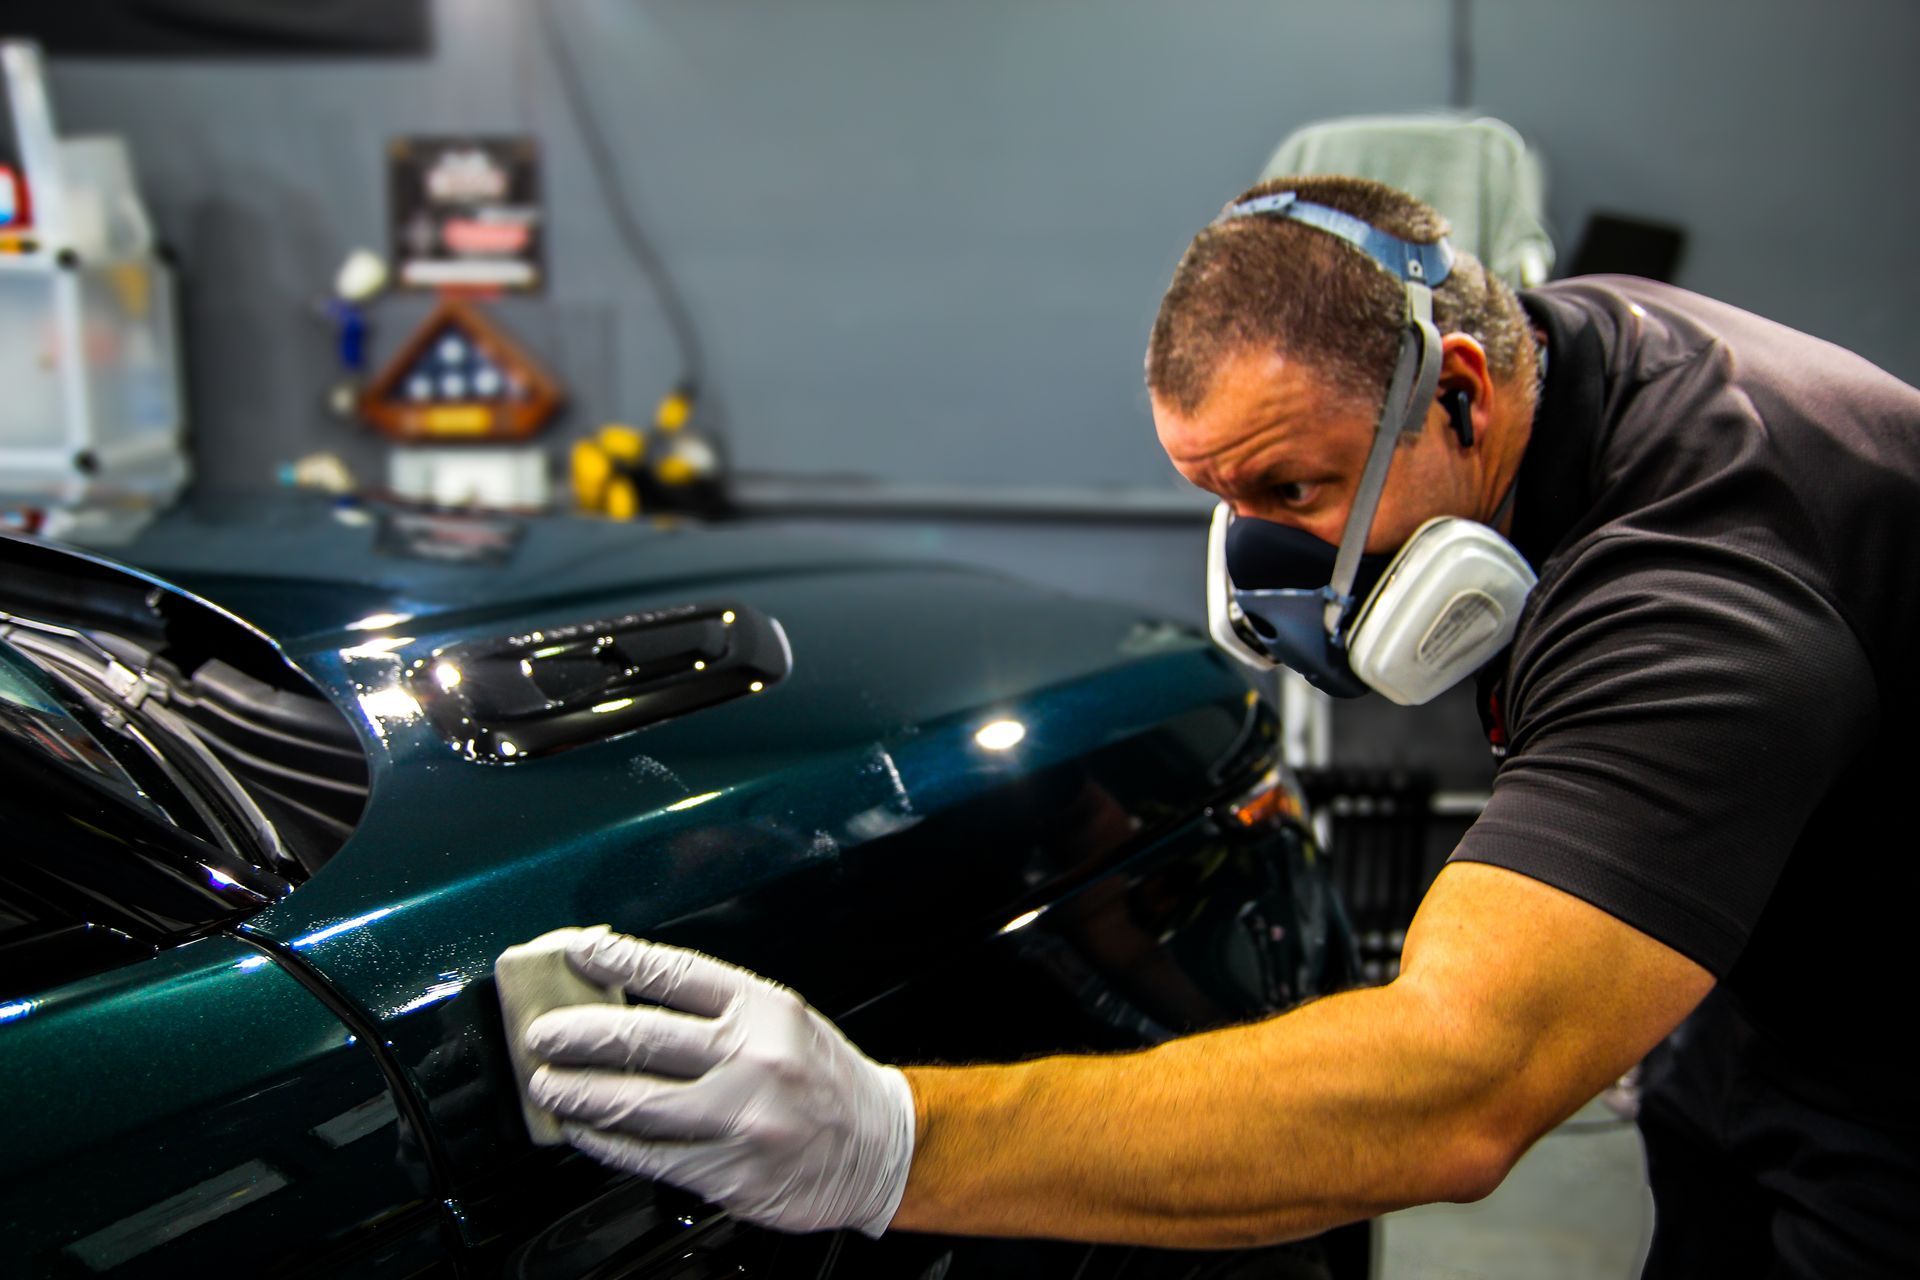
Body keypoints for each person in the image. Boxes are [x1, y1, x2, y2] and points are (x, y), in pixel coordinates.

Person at [521, 175, 1920, 1277]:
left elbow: (1457, 1088)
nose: (1268, 564)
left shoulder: (1701, 601)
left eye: (1294, 490)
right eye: (1222, 497)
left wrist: (891, 1141)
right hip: (1751, 998)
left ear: (1460, 394)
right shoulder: (1555, 352)